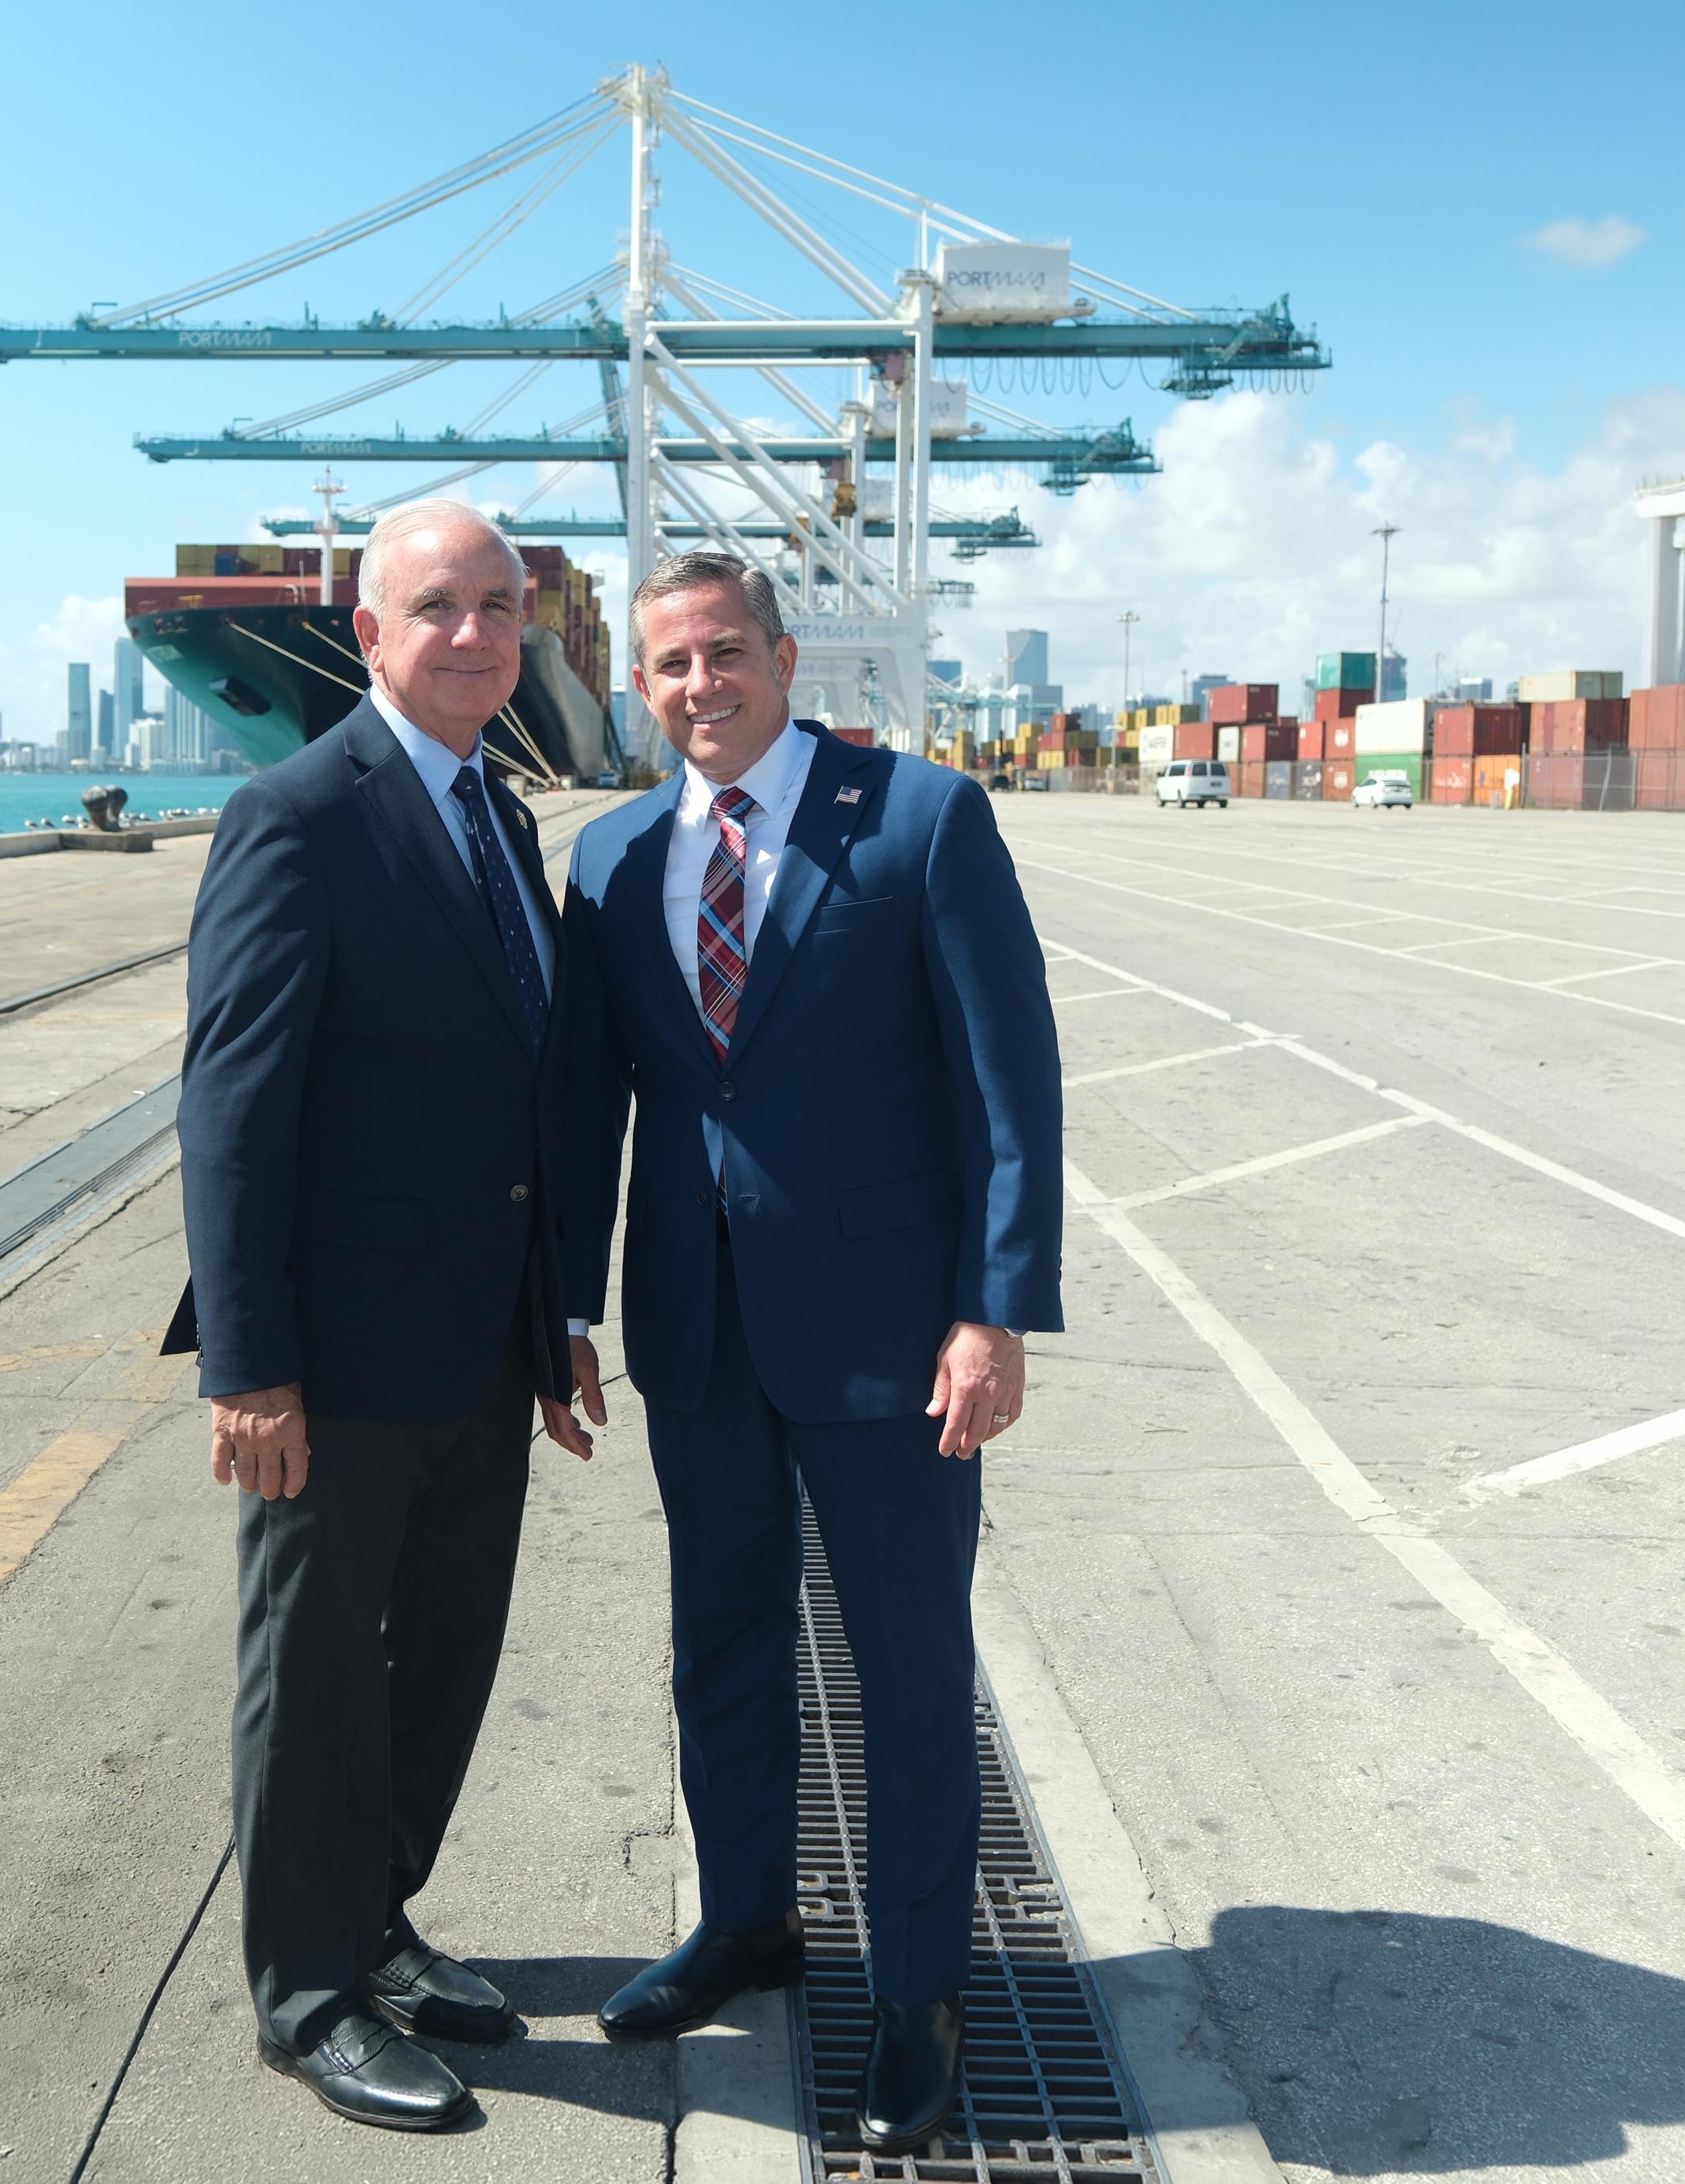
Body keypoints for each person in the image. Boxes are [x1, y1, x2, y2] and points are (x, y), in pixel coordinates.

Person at [557, 551, 1062, 2153]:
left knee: (910, 1669)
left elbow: (1008, 1082)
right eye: (668, 666)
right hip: (693, 1331)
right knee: (720, 1645)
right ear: (641, 685)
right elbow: (588, 1107)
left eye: (724, 654)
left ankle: (918, 1992)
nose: (699, 686)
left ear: (782, 656)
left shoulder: (917, 820)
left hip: (889, 1340)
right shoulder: (616, 854)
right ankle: (747, 1922)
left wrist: (994, 1310)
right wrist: (564, 1306)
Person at [165, 499, 596, 2133]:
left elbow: (521, 1099)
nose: (477, 634)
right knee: (319, 1673)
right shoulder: (297, 816)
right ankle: (307, 1991)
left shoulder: (500, 814)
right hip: (333, 1361)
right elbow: (234, 1112)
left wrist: (555, 1316)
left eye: (501, 606)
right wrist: (249, 1365)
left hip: (482, 1341)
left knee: (442, 1667)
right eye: (440, 606)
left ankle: (380, 1928)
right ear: (369, 633)